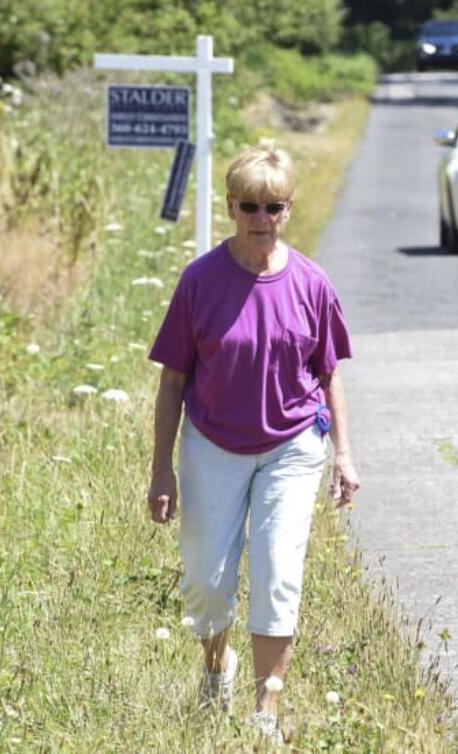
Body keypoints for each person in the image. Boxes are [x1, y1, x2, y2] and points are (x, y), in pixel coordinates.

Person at [146, 138, 359, 741]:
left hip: (293, 445)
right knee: (208, 580)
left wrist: (343, 453)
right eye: (249, 207)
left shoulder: (312, 284)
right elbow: (173, 380)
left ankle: (267, 706)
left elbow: (329, 374)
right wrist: (161, 469)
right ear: (231, 209)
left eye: (274, 208)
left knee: (276, 570)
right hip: (213, 443)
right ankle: (217, 666)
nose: (261, 221)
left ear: (288, 210)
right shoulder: (200, 282)